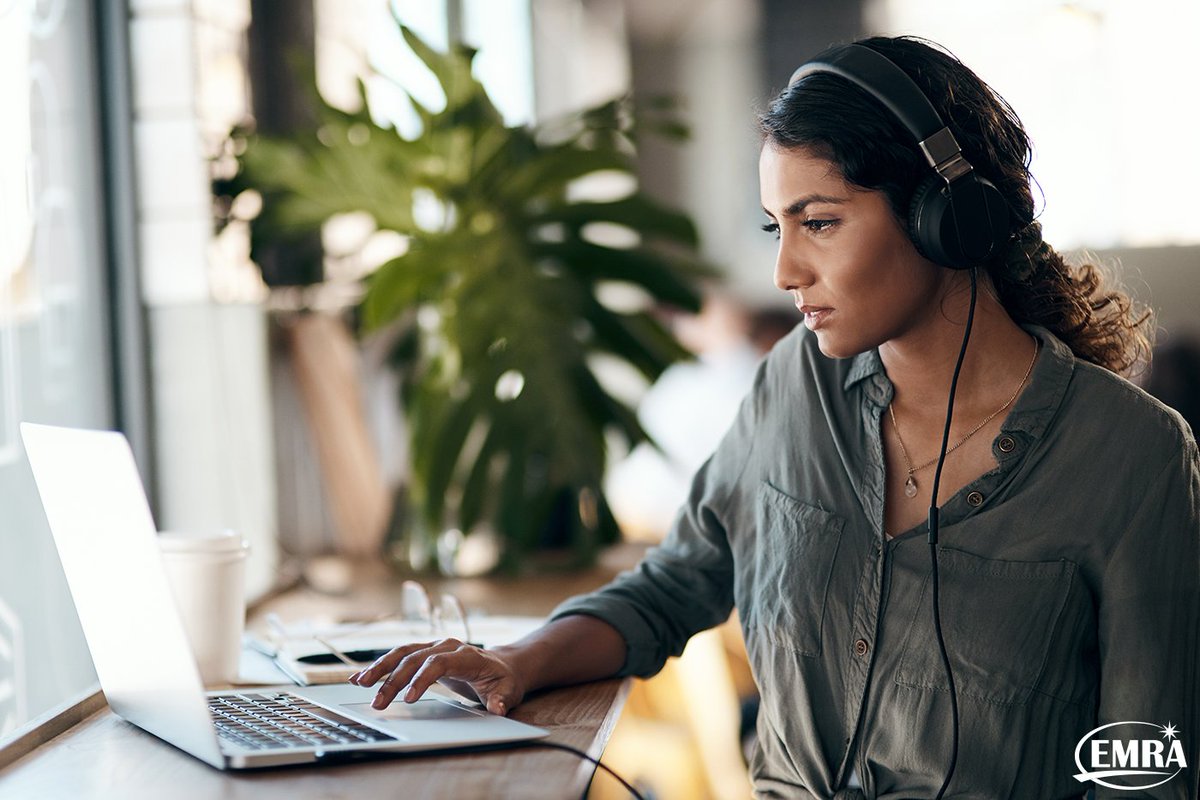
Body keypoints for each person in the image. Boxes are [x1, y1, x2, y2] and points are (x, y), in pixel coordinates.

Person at [349, 36, 1199, 799]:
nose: (787, 269)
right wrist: (514, 662)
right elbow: (677, 582)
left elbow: (1149, 770)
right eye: (777, 228)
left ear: (947, 220)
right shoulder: (793, 384)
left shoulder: (1133, 456)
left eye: (819, 223)